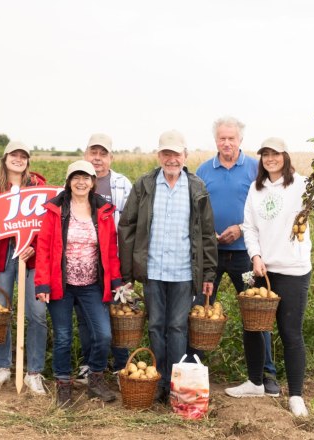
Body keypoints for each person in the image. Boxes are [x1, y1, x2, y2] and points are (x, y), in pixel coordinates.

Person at [225, 137, 314, 418]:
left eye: (275, 154)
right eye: (265, 154)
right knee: (253, 327)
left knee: (290, 333)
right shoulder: (256, 189)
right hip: (263, 270)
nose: (270, 159)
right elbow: (250, 227)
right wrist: (255, 256)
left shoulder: (302, 185)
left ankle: (296, 395)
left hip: (293, 270)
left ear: (285, 156)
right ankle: (255, 382)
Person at [118, 130, 218, 404]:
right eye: (166, 154)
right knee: (155, 325)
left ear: (185, 156)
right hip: (153, 270)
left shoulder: (196, 187)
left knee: (177, 327)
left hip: (184, 272)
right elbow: (127, 227)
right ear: (159, 156)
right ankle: (158, 381)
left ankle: (176, 384)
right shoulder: (145, 185)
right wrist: (127, 274)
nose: (171, 159)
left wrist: (208, 273)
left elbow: (207, 233)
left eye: (176, 154)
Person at [195, 116, 279, 396]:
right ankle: (193, 369)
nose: (227, 143)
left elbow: (266, 209)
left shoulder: (255, 168)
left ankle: (266, 374)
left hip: (245, 256)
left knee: (256, 313)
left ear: (240, 140)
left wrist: (241, 229)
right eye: (222, 138)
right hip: (212, 256)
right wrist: (208, 232)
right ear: (215, 140)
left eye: (231, 138)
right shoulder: (204, 170)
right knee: (201, 310)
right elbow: (196, 210)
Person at [35, 160, 122, 407]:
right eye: (76, 177)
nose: (81, 182)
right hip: (61, 284)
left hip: (92, 285)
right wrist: (42, 284)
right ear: (69, 181)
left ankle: (95, 378)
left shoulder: (102, 211)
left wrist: (116, 281)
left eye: (86, 178)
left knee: (103, 334)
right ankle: (63, 384)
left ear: (93, 182)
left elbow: (111, 250)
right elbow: (43, 249)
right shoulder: (56, 210)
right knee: (63, 336)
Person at [0, 141, 48, 394]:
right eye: (14, 155)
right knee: (0, 312)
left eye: (23, 156)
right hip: (3, 255)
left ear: (28, 161)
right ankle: (3, 366)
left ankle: (34, 372)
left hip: (31, 256)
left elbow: (47, 224)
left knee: (37, 313)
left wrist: (35, 247)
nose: (18, 159)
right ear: (5, 158)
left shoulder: (39, 188)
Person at [75, 133, 132, 383]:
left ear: (111, 158)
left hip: (114, 262)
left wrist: (128, 265)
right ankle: (89, 365)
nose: (97, 158)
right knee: (85, 318)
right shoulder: (75, 182)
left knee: (119, 315)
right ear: (85, 154)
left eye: (102, 154)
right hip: (82, 264)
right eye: (93, 153)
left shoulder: (122, 184)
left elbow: (131, 225)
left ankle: (121, 366)